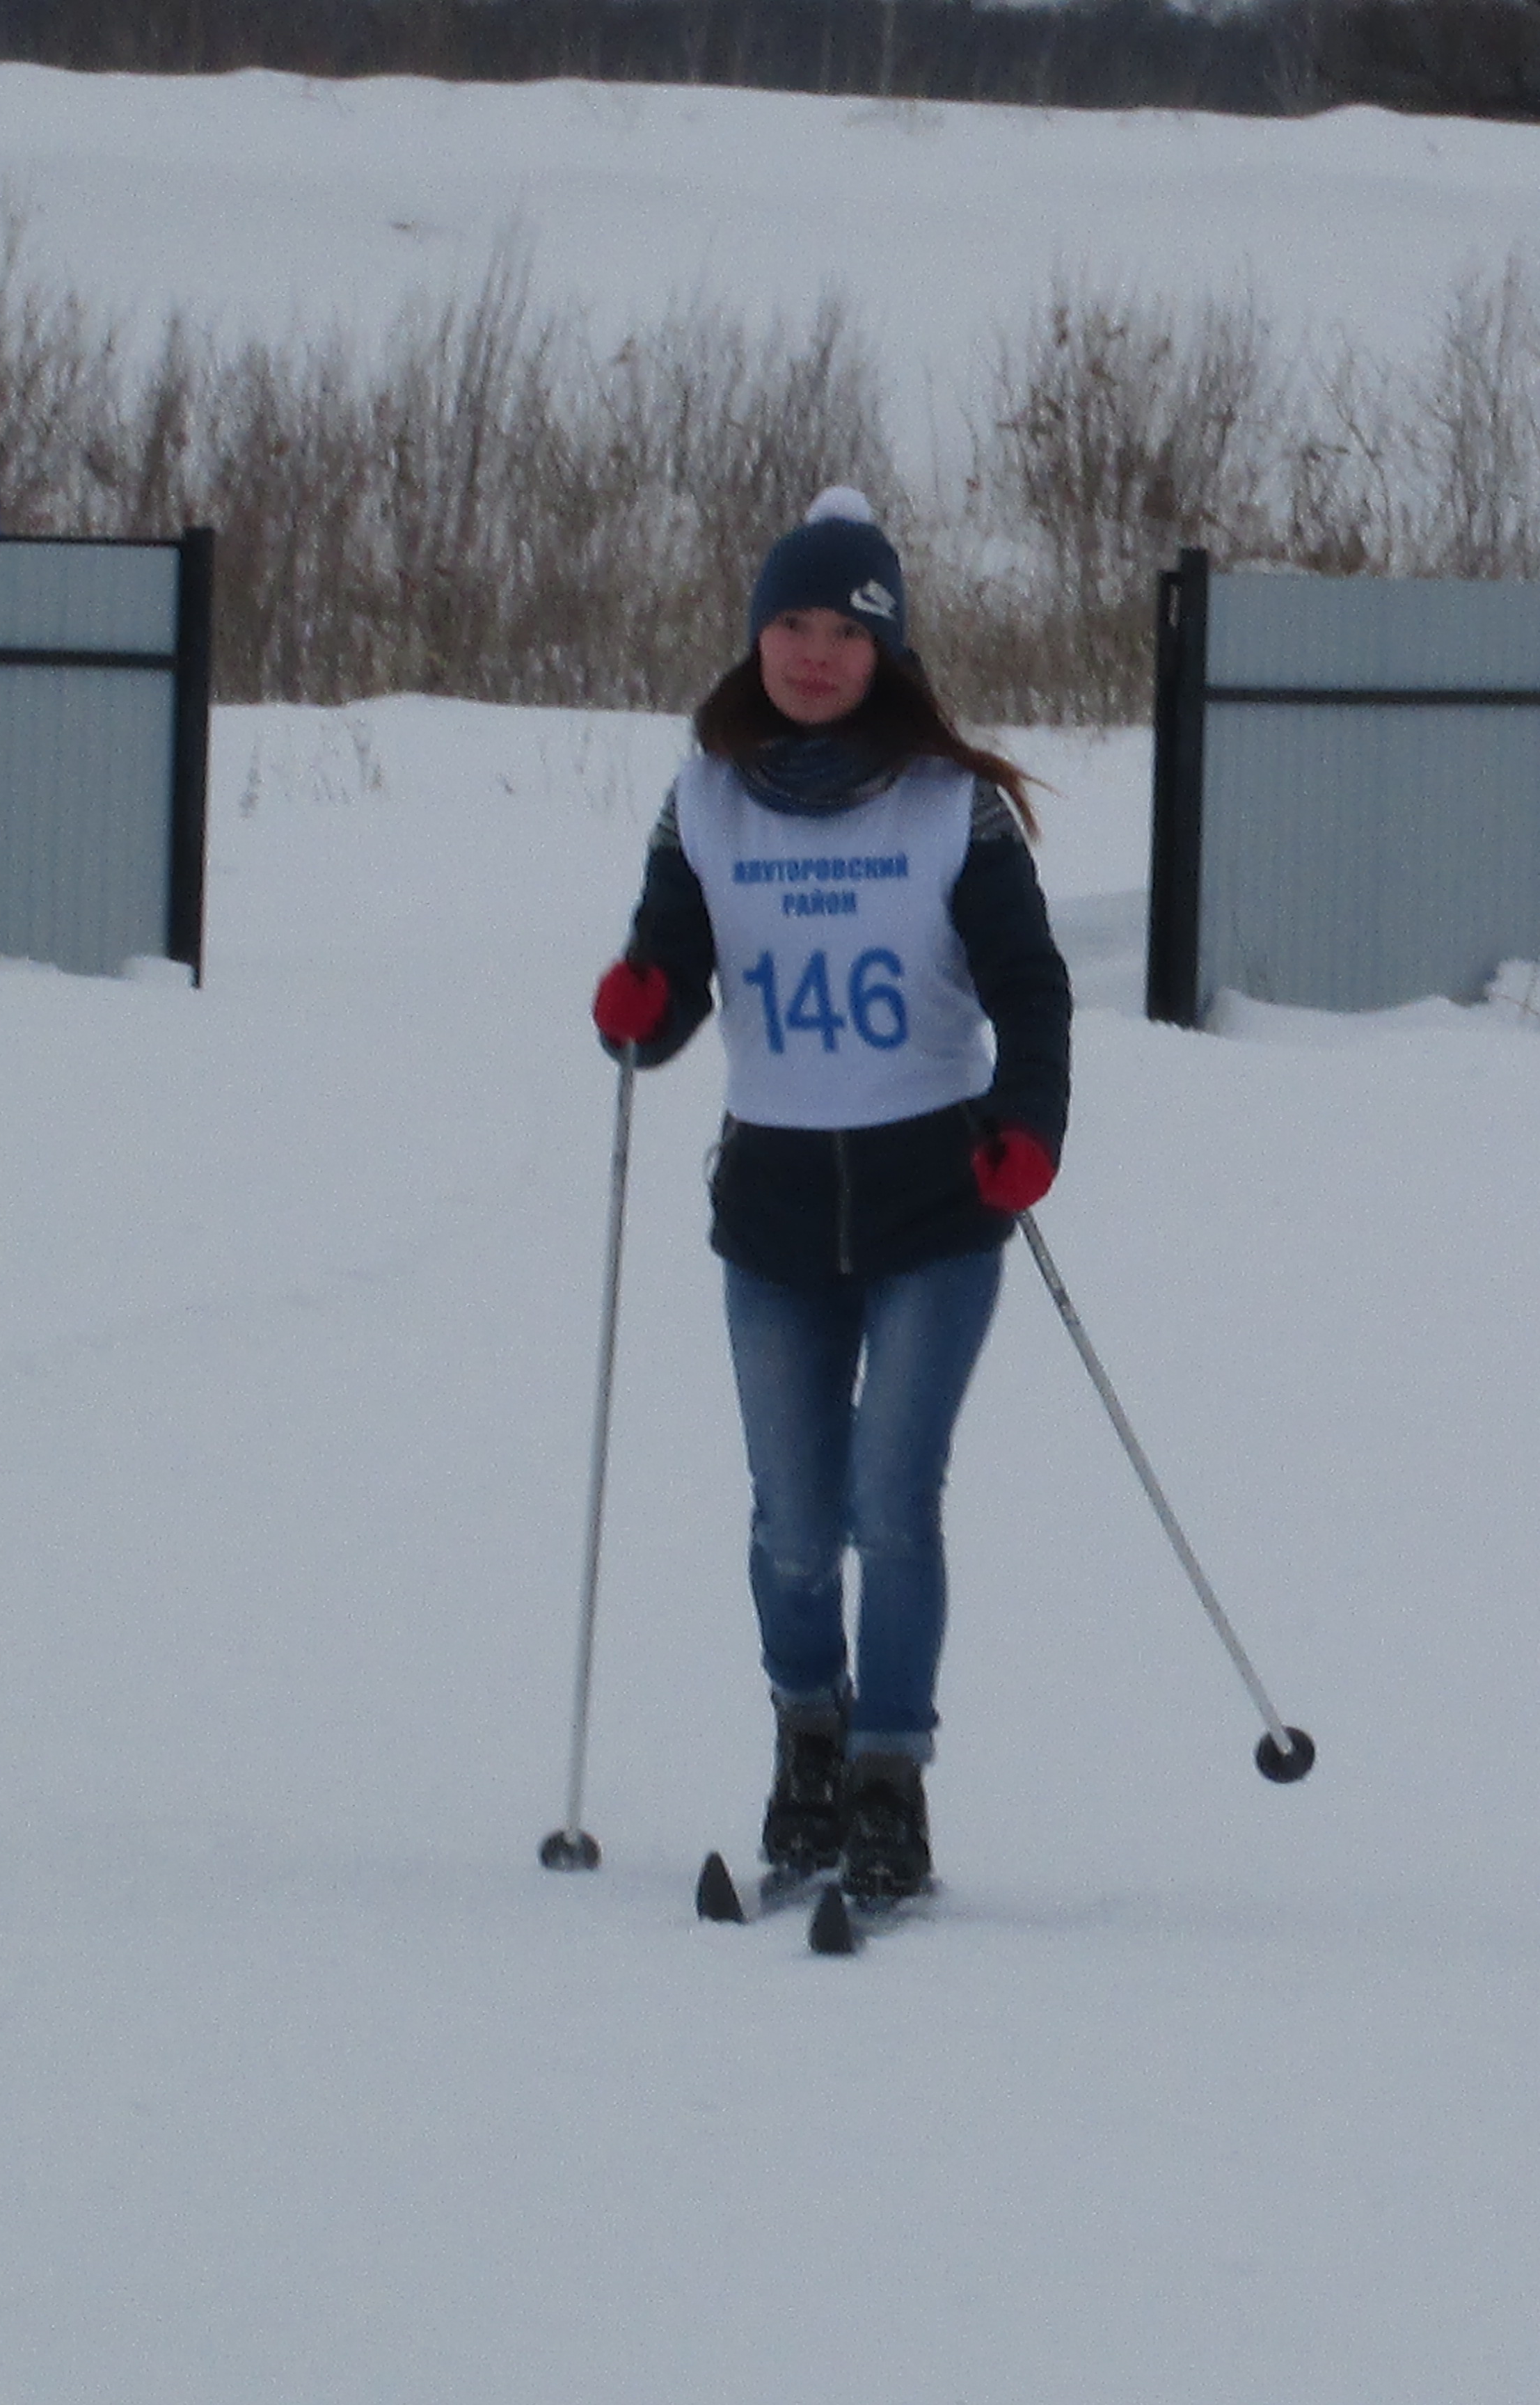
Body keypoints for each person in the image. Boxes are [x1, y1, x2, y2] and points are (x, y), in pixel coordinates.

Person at [589, 487, 1072, 1901]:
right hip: (776, 1211)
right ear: (756, 637)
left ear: (887, 650)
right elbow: (670, 974)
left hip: (937, 1204)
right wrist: (642, 1005)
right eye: (791, 624)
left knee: (890, 1503)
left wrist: (1028, 1125)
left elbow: (1027, 985)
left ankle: (887, 1778)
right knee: (795, 1523)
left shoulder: (949, 805)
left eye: (845, 631)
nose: (814, 654)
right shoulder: (706, 799)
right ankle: (807, 1746)